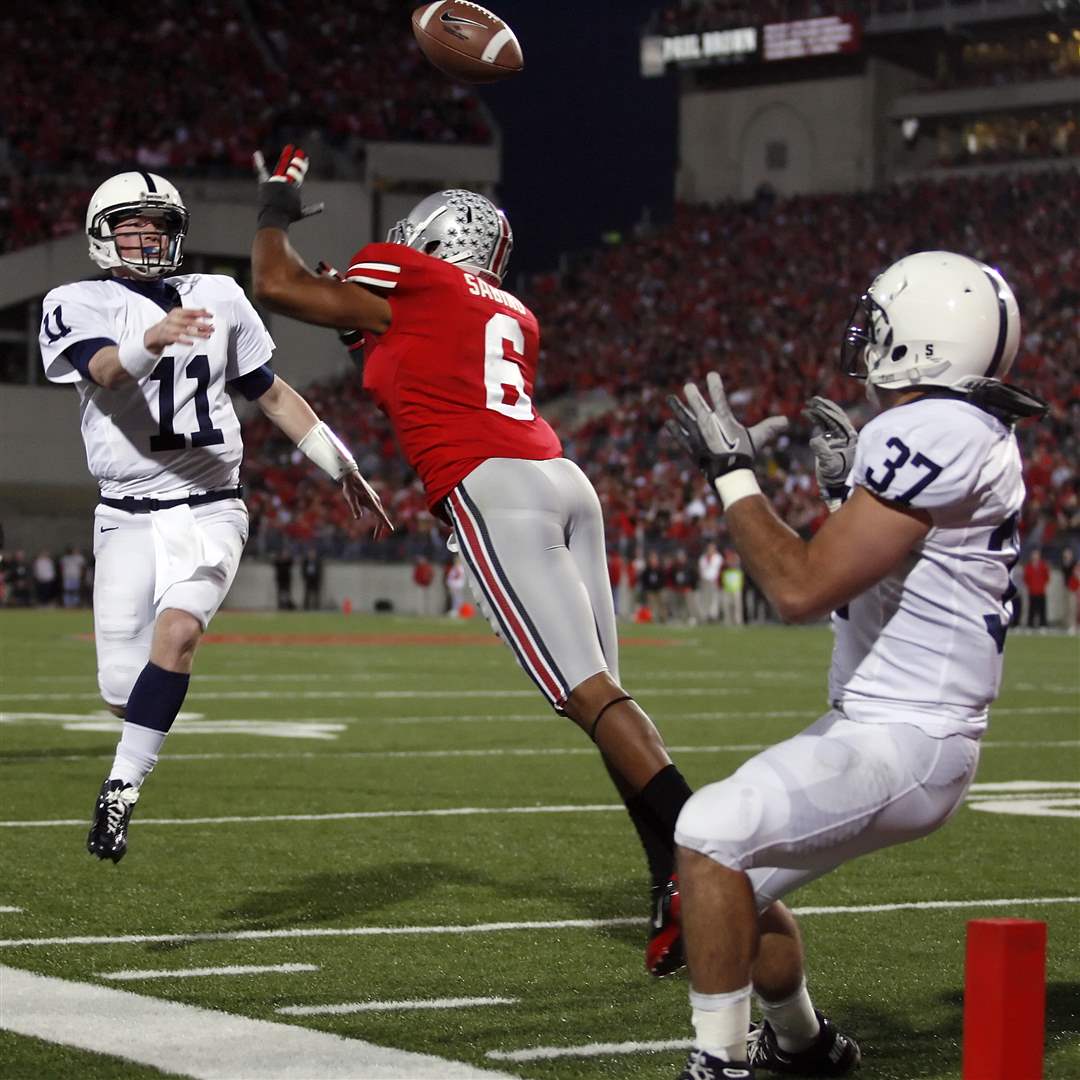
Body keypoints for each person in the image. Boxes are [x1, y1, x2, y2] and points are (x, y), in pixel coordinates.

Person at [249, 145, 719, 976]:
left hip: (493, 485)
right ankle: (669, 885)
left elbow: (276, 286)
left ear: (436, 236)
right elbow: (408, 354)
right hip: (565, 479)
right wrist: (354, 306)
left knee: (588, 699)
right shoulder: (507, 309)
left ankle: (709, 855)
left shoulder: (410, 277)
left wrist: (274, 205)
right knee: (607, 703)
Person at [665, 251, 1046, 1077]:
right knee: (725, 880)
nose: (866, 336)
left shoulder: (934, 427)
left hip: (908, 735)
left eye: (882, 322)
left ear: (924, 340)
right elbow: (872, 577)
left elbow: (800, 588)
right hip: (892, 725)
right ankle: (805, 1046)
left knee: (708, 832)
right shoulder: (964, 428)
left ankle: (718, 1065)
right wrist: (844, 499)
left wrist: (733, 477)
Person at [39, 168, 391, 864]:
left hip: (209, 507)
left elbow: (272, 393)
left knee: (178, 633)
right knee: (120, 689)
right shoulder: (75, 300)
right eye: (132, 227)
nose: (147, 240)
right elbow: (107, 371)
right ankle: (137, 735)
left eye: (159, 227)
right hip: (126, 517)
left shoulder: (219, 296)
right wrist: (155, 337)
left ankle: (119, 791)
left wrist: (340, 462)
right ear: (101, 236)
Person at [1023, 547, 1050, 629]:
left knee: (1042, 608)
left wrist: (1043, 585)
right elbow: (1026, 578)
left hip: (1041, 591)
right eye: (1034, 555)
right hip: (1032, 591)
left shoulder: (1043, 565)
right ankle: (1030, 624)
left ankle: (1043, 624)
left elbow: (1047, 577)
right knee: (1031, 608)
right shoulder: (1028, 566)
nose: (1035, 556)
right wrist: (1030, 586)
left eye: (1036, 555)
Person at [698, 542, 722, 623]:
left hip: (713, 580)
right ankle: (705, 615)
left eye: (712, 548)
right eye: (709, 548)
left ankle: (713, 616)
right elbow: (701, 569)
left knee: (714, 598)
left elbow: (718, 569)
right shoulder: (703, 558)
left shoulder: (718, 557)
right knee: (705, 598)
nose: (710, 550)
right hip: (705, 580)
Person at [1061, 547, 1078, 633]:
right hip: (1066, 587)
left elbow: (1075, 574)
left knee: (1072, 607)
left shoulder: (1074, 563)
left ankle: (1073, 625)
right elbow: (1065, 571)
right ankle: (1067, 624)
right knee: (1066, 606)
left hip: (1073, 588)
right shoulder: (1064, 563)